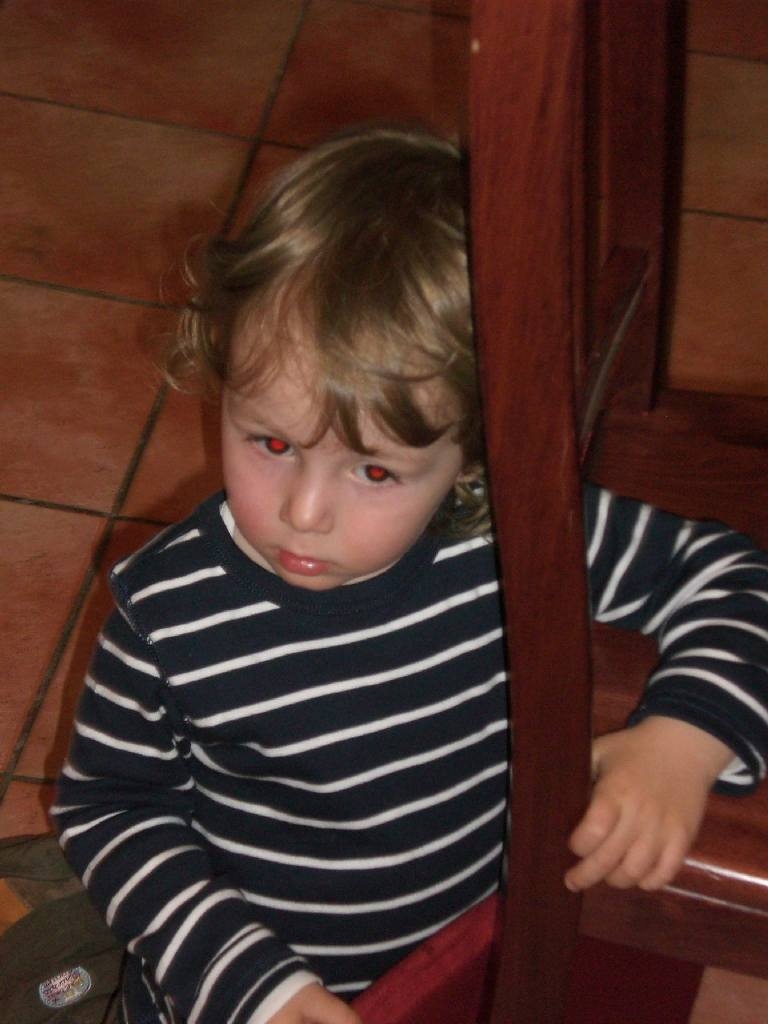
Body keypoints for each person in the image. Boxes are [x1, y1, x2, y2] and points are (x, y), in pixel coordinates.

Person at [53, 126, 768, 1024]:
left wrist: (688, 737)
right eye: (270, 442)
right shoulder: (163, 614)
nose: (305, 512)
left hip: (464, 970)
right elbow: (110, 810)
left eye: (374, 469)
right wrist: (253, 986)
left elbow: (732, 575)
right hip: (245, 996)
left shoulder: (518, 539)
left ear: (472, 450)